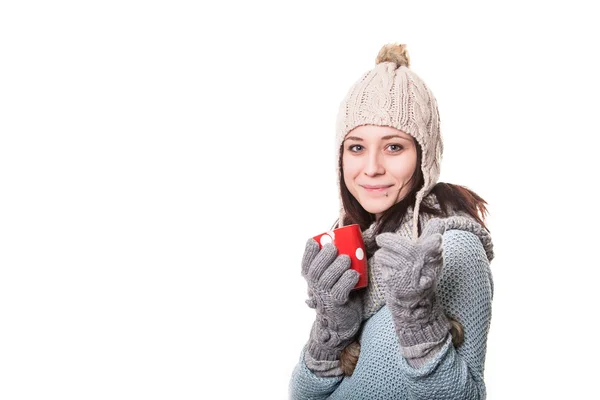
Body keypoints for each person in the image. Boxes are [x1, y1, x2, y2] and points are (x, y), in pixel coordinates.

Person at [288, 43, 495, 399]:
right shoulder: (354, 243)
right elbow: (303, 395)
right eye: (356, 147)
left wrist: (419, 322)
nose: (371, 167)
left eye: (394, 146)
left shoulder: (455, 249)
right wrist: (331, 329)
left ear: (423, 156)